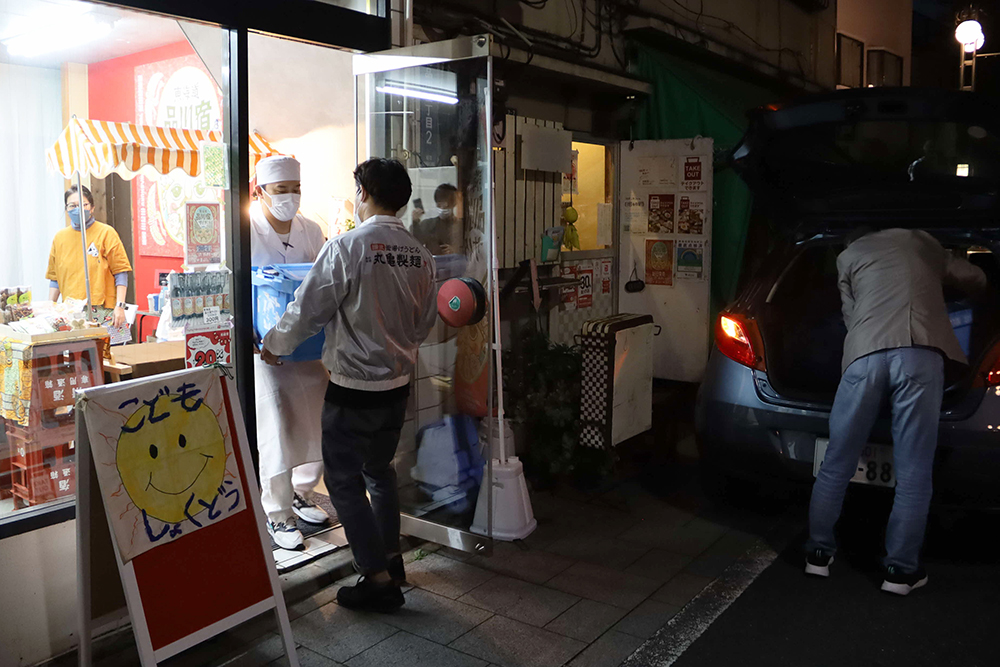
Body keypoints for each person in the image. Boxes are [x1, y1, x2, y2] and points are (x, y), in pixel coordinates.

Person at [261, 158, 437, 612]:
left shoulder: (348, 247)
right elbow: (424, 324)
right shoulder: (419, 254)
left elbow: (308, 309)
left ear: (363, 193)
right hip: (398, 386)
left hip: (353, 387)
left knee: (343, 481)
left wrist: (275, 344)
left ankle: (376, 579)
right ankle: (392, 560)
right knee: (380, 472)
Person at [805, 227, 987, 595]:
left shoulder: (848, 256)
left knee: (837, 461)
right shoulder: (923, 242)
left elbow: (850, 314)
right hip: (918, 352)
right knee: (914, 470)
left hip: (864, 355)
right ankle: (900, 573)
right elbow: (974, 278)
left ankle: (818, 556)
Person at [251, 155, 331, 550]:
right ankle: (277, 513)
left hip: (308, 341)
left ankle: (302, 491)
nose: (290, 198)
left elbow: (322, 284)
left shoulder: (312, 230)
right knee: (277, 424)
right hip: (263, 347)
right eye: (281, 191)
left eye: (295, 189)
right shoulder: (245, 230)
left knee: (317, 416)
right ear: (260, 191)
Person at [47, 185, 132, 328]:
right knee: (76, 350)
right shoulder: (59, 238)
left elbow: (121, 272)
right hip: (70, 311)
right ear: (66, 209)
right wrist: (51, 309)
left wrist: (120, 306)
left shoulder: (106, 233)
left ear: (92, 207)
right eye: (72, 205)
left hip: (103, 310)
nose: (77, 209)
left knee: (105, 350)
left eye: (83, 204)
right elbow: (54, 279)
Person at [413, 183, 461, 255]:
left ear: (454, 203)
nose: (442, 208)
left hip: (454, 263)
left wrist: (456, 250)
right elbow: (414, 244)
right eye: (439, 204)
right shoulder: (428, 224)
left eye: (446, 204)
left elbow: (469, 249)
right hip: (433, 263)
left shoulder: (461, 225)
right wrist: (415, 222)